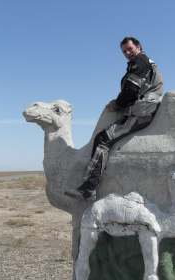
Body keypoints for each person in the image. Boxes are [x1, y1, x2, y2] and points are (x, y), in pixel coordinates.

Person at [66, 36, 164, 200]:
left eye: (130, 49)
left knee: (103, 139)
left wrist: (117, 104)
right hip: (143, 108)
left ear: (139, 47)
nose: (127, 53)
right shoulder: (144, 62)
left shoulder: (140, 61)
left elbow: (131, 90)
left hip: (143, 112)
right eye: (124, 51)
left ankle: (89, 188)